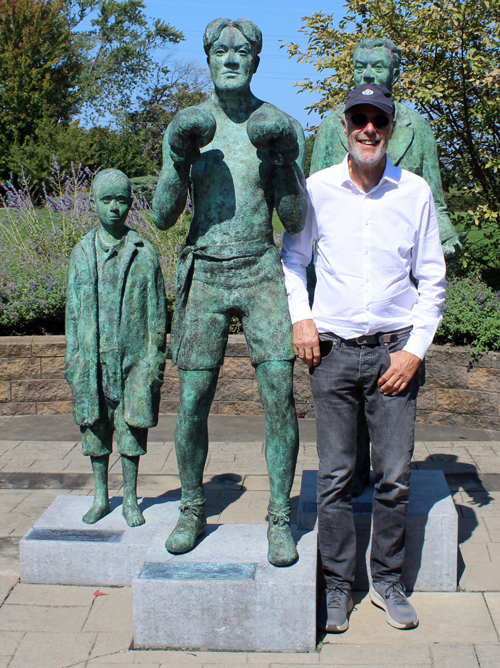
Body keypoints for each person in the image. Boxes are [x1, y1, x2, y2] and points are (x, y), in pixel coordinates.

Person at [281, 84, 446, 631]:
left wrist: (414, 353)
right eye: (360, 119)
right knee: (334, 478)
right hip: (331, 354)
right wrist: (300, 318)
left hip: (393, 355)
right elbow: (293, 258)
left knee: (394, 477)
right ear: (346, 125)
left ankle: (388, 581)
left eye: (379, 120)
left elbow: (433, 280)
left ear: (391, 128)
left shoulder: (415, 192)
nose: (369, 128)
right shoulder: (318, 188)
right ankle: (335, 587)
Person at [152, 18, 307, 566]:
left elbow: (293, 219)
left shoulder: (278, 125)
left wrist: (283, 163)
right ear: (209, 58)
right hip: (206, 271)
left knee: (278, 397)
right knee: (193, 401)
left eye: (243, 51)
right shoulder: (191, 126)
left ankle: (280, 517)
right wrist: (177, 159)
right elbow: (164, 215)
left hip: (260, 268)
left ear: (256, 61)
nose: (232, 58)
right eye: (221, 50)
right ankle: (192, 507)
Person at [310, 37, 461, 497]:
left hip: (397, 271)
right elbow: (311, 202)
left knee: (394, 377)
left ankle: (387, 465)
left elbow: (432, 192)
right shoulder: (329, 129)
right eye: (362, 66)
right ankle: (351, 469)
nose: (371, 73)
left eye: (380, 66)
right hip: (341, 279)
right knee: (343, 387)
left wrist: (446, 231)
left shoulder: (418, 128)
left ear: (395, 72)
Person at [65, 169, 167, 527]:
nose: (114, 208)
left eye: (121, 200)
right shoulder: (81, 252)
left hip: (133, 358)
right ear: (93, 202)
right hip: (92, 357)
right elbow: (73, 311)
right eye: (106, 200)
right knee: (94, 427)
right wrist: (73, 358)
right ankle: (99, 496)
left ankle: (129, 498)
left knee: (131, 427)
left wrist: (154, 361)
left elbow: (157, 312)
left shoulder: (143, 252)